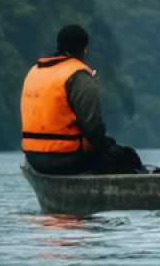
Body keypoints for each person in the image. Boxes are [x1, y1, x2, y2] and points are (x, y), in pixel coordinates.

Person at [20, 24, 144, 175]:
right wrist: (113, 150)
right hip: (66, 159)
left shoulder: (34, 71)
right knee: (129, 157)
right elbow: (94, 131)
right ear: (84, 49)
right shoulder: (79, 76)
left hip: (34, 157)